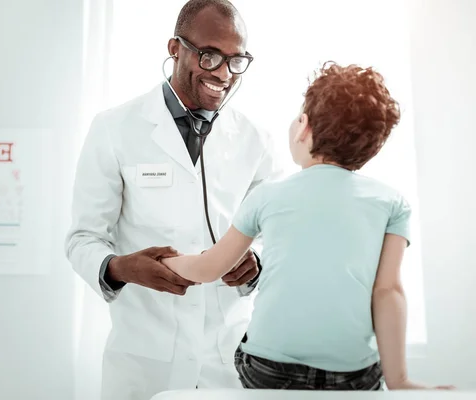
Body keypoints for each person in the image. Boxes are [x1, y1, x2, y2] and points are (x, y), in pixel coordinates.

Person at [162, 62, 455, 391]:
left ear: (303, 127)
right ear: (371, 148)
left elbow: (207, 267)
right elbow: (387, 292)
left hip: (269, 368)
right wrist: (399, 380)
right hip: (353, 374)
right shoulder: (391, 203)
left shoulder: (267, 197)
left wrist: (162, 260)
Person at [65, 1, 283, 399]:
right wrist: (121, 268)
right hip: (144, 364)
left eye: (236, 61)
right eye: (210, 55)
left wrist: (255, 264)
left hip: (226, 361)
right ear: (175, 48)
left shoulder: (256, 141)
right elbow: (83, 238)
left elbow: (277, 237)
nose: (223, 73)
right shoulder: (115, 129)